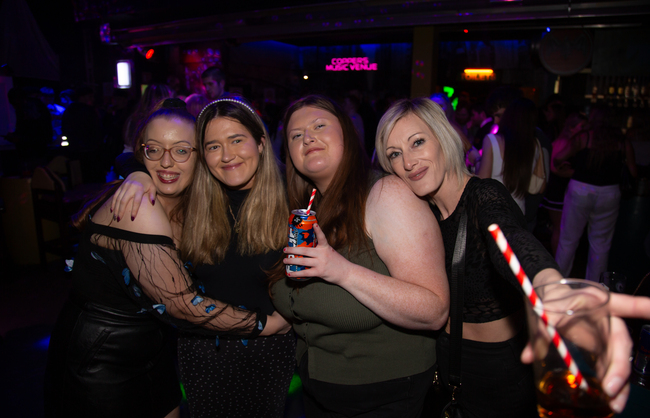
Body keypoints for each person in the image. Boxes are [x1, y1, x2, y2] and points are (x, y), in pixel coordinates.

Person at [375, 97, 649, 417]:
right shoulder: (420, 212)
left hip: (496, 371)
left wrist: (549, 284)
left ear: (442, 137)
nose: (408, 162)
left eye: (417, 142)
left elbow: (509, 238)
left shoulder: (484, 195)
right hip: (445, 361)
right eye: (395, 154)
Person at [44, 98, 289, 418]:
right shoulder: (139, 206)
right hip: (101, 357)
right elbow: (179, 303)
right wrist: (267, 325)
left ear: (199, 157)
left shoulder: (193, 204)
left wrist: (135, 170)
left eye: (182, 150)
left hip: (154, 349)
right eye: (154, 150)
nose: (166, 162)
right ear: (142, 153)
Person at [269, 95, 449, 417]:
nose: (307, 138)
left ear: (348, 134)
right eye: (296, 135)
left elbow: (434, 310)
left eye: (319, 126)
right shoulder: (307, 207)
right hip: (319, 389)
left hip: (382, 393)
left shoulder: (384, 194)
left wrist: (342, 271)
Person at [554, 105, 637, 283]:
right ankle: (594, 289)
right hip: (609, 192)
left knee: (568, 240)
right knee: (601, 245)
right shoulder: (622, 142)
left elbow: (559, 157)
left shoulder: (584, 137)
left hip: (581, 190)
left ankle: (558, 283)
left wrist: (571, 168)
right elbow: (633, 172)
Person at [477, 97, 546, 216]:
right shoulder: (534, 145)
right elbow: (541, 187)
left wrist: (478, 161)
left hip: (493, 211)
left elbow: (482, 183)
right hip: (518, 213)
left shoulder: (492, 140)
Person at [540, 113, 587, 255]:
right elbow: (553, 168)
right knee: (559, 229)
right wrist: (578, 173)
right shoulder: (563, 142)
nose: (585, 130)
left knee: (563, 229)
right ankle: (558, 261)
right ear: (571, 128)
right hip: (557, 191)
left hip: (563, 190)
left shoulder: (574, 143)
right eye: (582, 126)